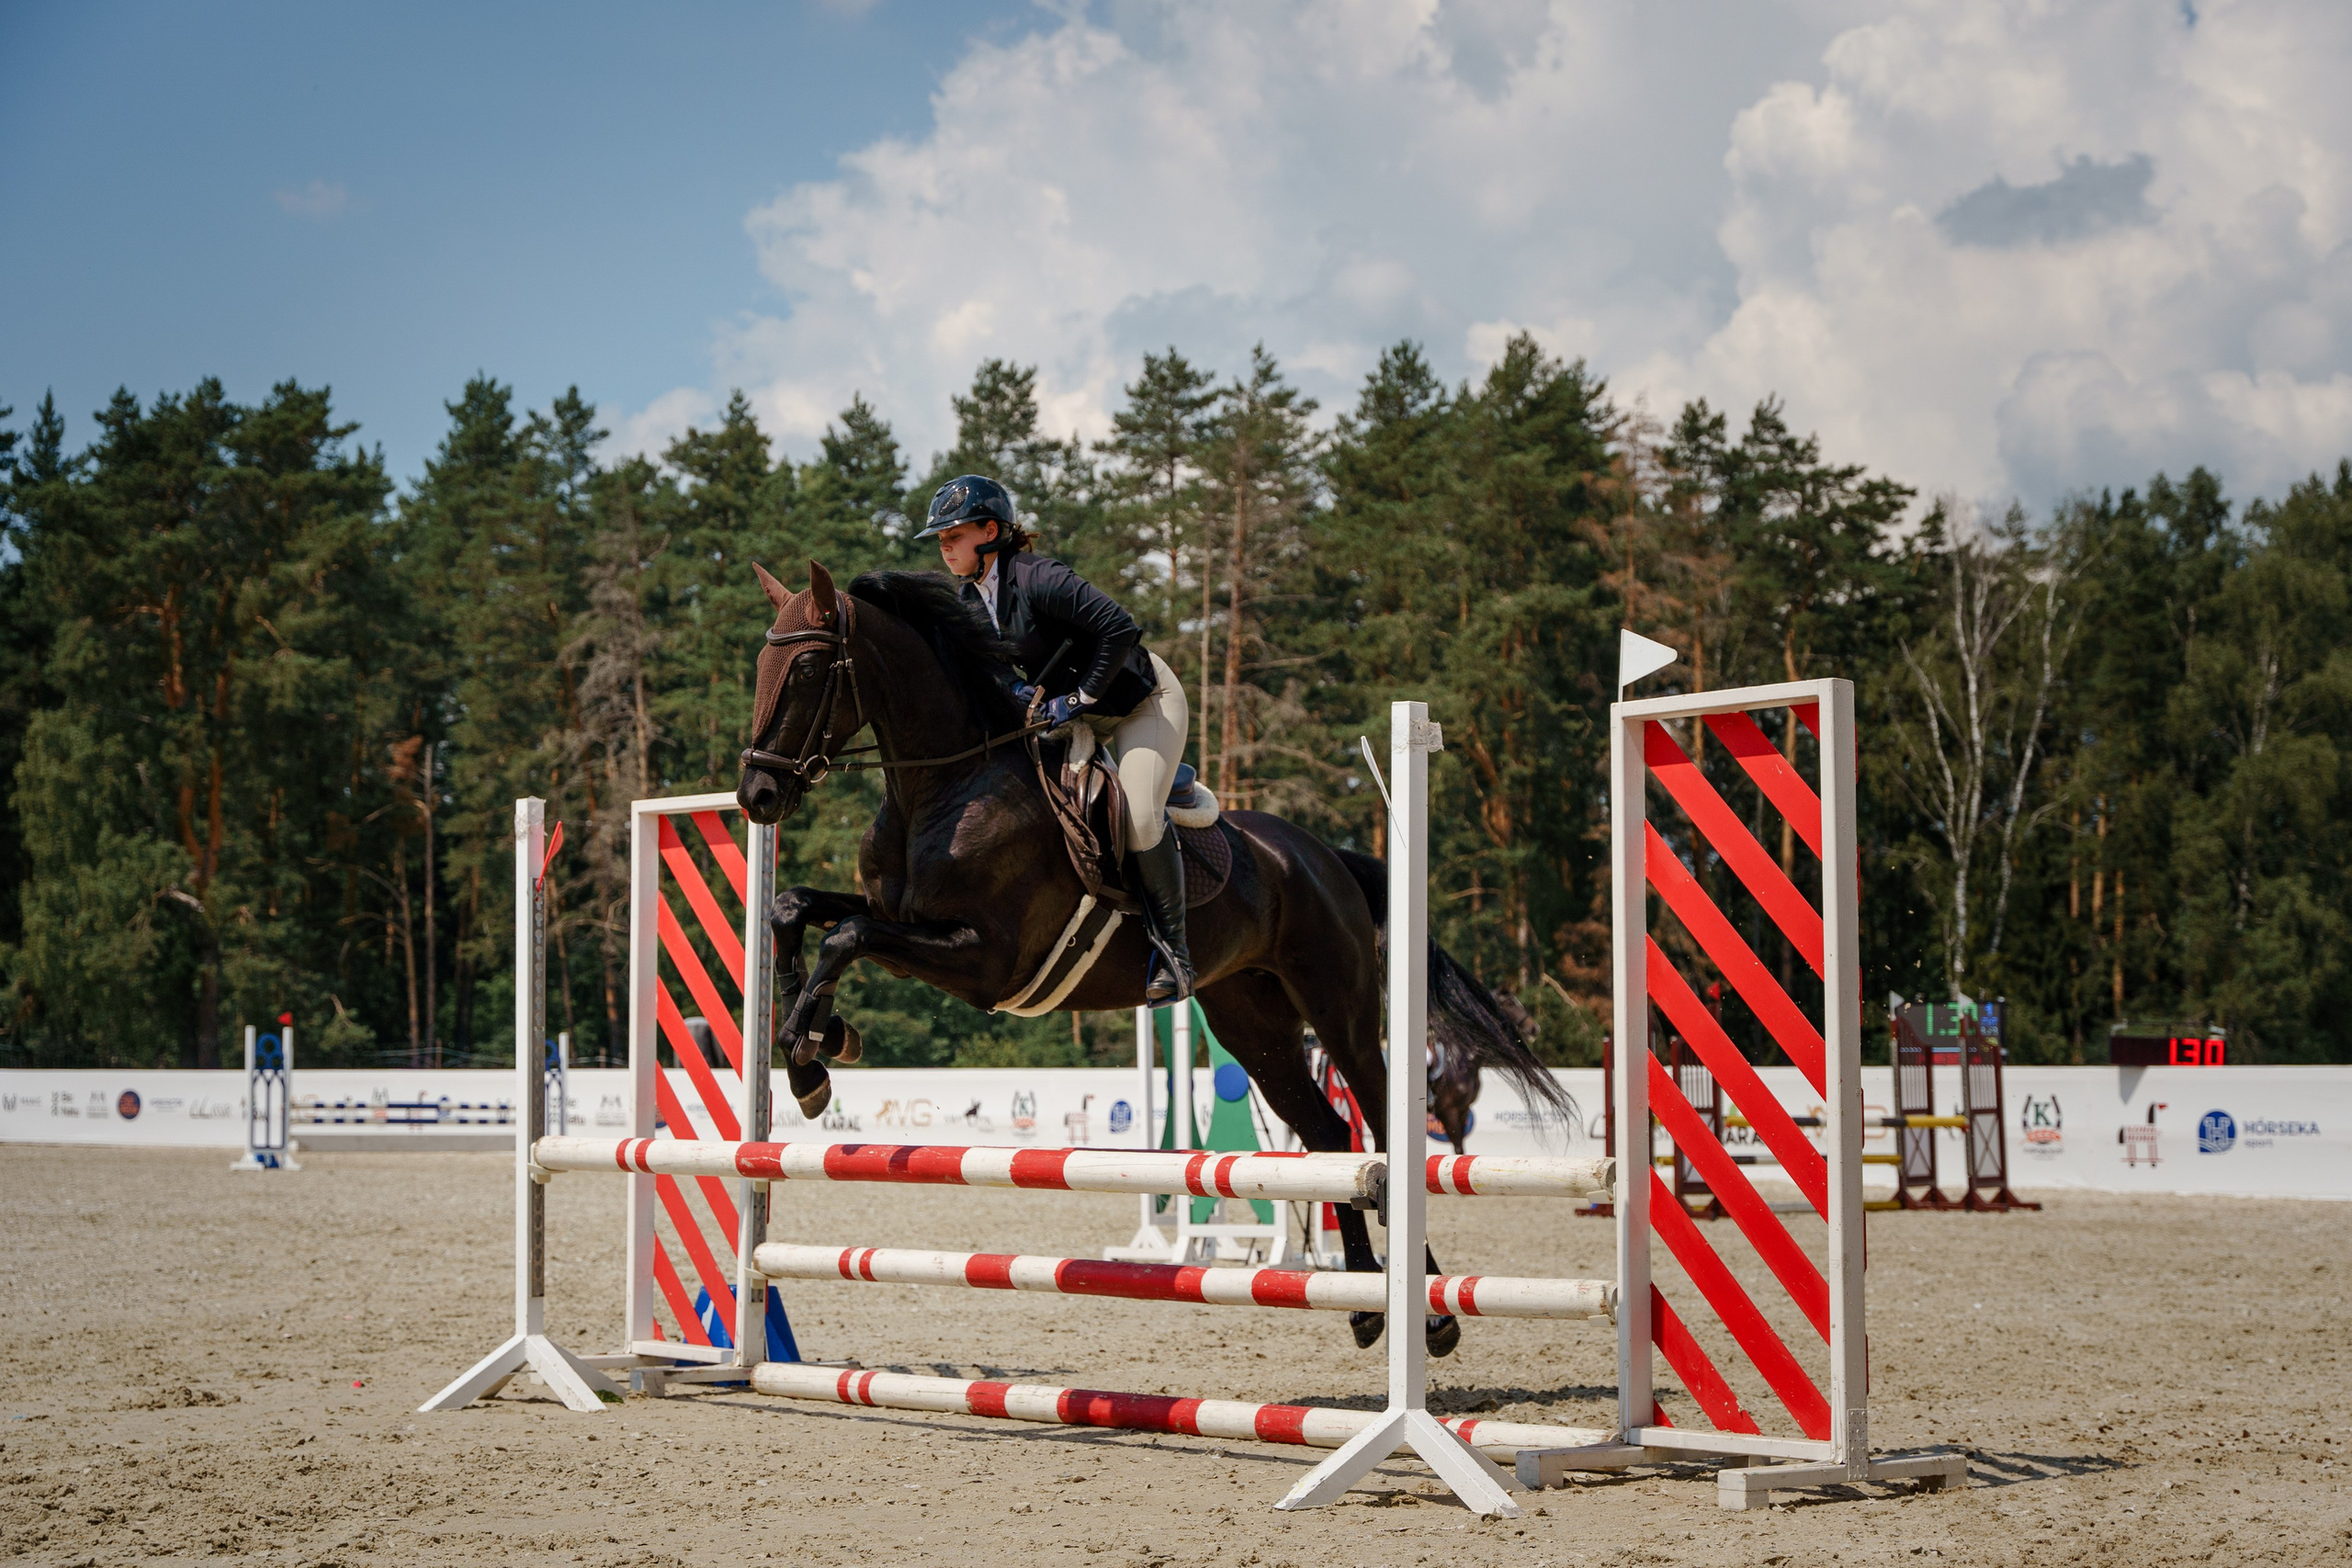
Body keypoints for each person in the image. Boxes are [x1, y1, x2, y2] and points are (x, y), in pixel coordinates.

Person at [917, 474, 1195, 1003]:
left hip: (1139, 703)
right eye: (941, 537)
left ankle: (1176, 954)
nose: (944, 545)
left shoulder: (1040, 577)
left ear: (991, 531)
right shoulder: (971, 599)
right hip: (1071, 715)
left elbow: (1119, 628)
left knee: (1137, 813)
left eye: (953, 533)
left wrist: (1081, 697)